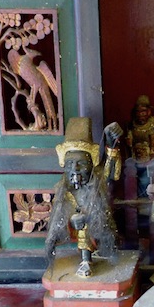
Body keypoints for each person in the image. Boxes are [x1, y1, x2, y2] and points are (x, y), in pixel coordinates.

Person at [44, 117, 123, 277]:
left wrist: (111, 143)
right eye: (70, 164)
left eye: (82, 163)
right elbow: (57, 221)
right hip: (78, 233)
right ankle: (85, 260)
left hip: (99, 228)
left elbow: (111, 172)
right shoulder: (62, 190)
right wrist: (71, 221)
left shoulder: (96, 180)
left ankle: (101, 254)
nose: (75, 169)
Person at [125, 95, 154, 197]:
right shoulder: (131, 125)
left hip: (151, 160)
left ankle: (150, 198)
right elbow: (128, 146)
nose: (140, 115)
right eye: (138, 112)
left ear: (149, 111)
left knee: (147, 180)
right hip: (136, 160)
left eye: (143, 111)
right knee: (133, 179)